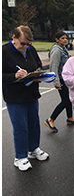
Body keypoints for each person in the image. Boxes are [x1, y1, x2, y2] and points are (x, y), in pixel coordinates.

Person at [2, 25, 49, 171]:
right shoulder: (4, 51)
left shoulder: (30, 50)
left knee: (34, 123)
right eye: (23, 43)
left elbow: (38, 65)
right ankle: (20, 157)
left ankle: (33, 149)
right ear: (14, 38)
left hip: (31, 93)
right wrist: (14, 75)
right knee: (20, 127)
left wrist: (37, 74)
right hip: (15, 96)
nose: (25, 46)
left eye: (28, 44)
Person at [45, 31, 74, 132]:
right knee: (65, 100)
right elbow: (54, 67)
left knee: (68, 99)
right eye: (62, 38)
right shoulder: (56, 51)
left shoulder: (63, 49)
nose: (65, 40)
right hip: (61, 79)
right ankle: (50, 119)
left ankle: (69, 118)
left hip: (65, 78)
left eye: (66, 38)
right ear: (57, 40)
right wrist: (56, 82)